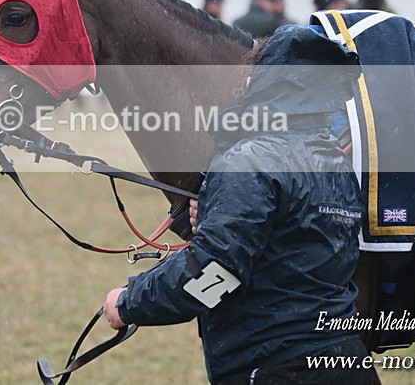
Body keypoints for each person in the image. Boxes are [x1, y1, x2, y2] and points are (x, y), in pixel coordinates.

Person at [104, 25, 373, 384]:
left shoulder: (249, 160)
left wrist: (129, 301)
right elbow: (294, 245)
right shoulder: (336, 161)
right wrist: (219, 215)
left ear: (266, 83)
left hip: (276, 367)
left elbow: (216, 273)